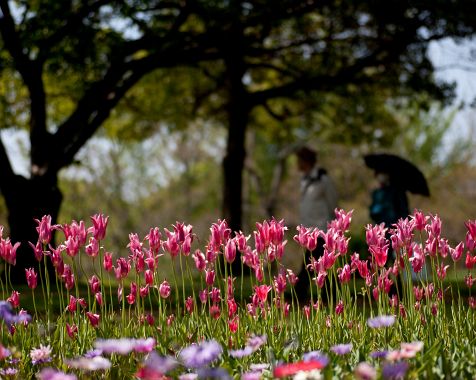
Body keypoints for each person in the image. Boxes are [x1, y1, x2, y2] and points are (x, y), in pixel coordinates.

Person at [294, 146, 338, 302]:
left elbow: (333, 202)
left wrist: (334, 228)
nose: (297, 163)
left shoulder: (322, 179)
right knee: (319, 265)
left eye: (299, 160)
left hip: (321, 230)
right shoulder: (304, 180)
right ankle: (330, 296)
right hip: (308, 230)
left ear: (306, 161)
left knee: (314, 263)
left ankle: (300, 293)